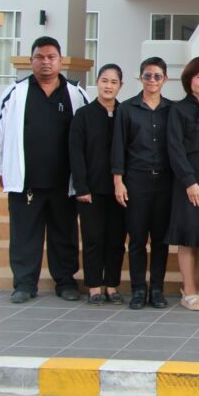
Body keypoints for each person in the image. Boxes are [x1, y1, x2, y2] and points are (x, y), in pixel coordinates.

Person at [0, 36, 89, 304]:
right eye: (39, 57)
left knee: (64, 234)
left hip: (64, 181)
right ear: (31, 61)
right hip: (26, 181)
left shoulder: (76, 94)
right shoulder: (15, 93)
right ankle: (24, 283)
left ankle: (65, 282)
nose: (46, 62)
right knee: (24, 234)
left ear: (60, 60)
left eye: (51, 57)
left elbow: (89, 134)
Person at [111, 57, 175, 310]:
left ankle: (157, 289)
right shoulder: (127, 109)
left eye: (157, 76)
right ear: (140, 78)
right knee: (137, 238)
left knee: (160, 239)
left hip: (165, 181)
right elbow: (118, 147)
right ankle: (138, 289)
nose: (152, 80)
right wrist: (118, 181)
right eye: (147, 75)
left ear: (165, 79)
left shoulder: (172, 109)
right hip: (136, 180)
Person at [165, 56, 199, 311]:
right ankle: (187, 290)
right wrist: (189, 181)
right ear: (189, 80)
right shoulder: (178, 110)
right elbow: (175, 148)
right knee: (188, 236)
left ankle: (196, 287)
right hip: (189, 179)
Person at [69, 63, 125, 305]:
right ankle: (93, 285)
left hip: (119, 190)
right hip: (91, 189)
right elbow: (76, 153)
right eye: (104, 81)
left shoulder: (125, 113)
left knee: (116, 240)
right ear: (97, 82)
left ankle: (112, 284)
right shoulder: (83, 115)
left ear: (120, 86)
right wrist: (81, 187)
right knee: (93, 239)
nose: (108, 86)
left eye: (113, 82)